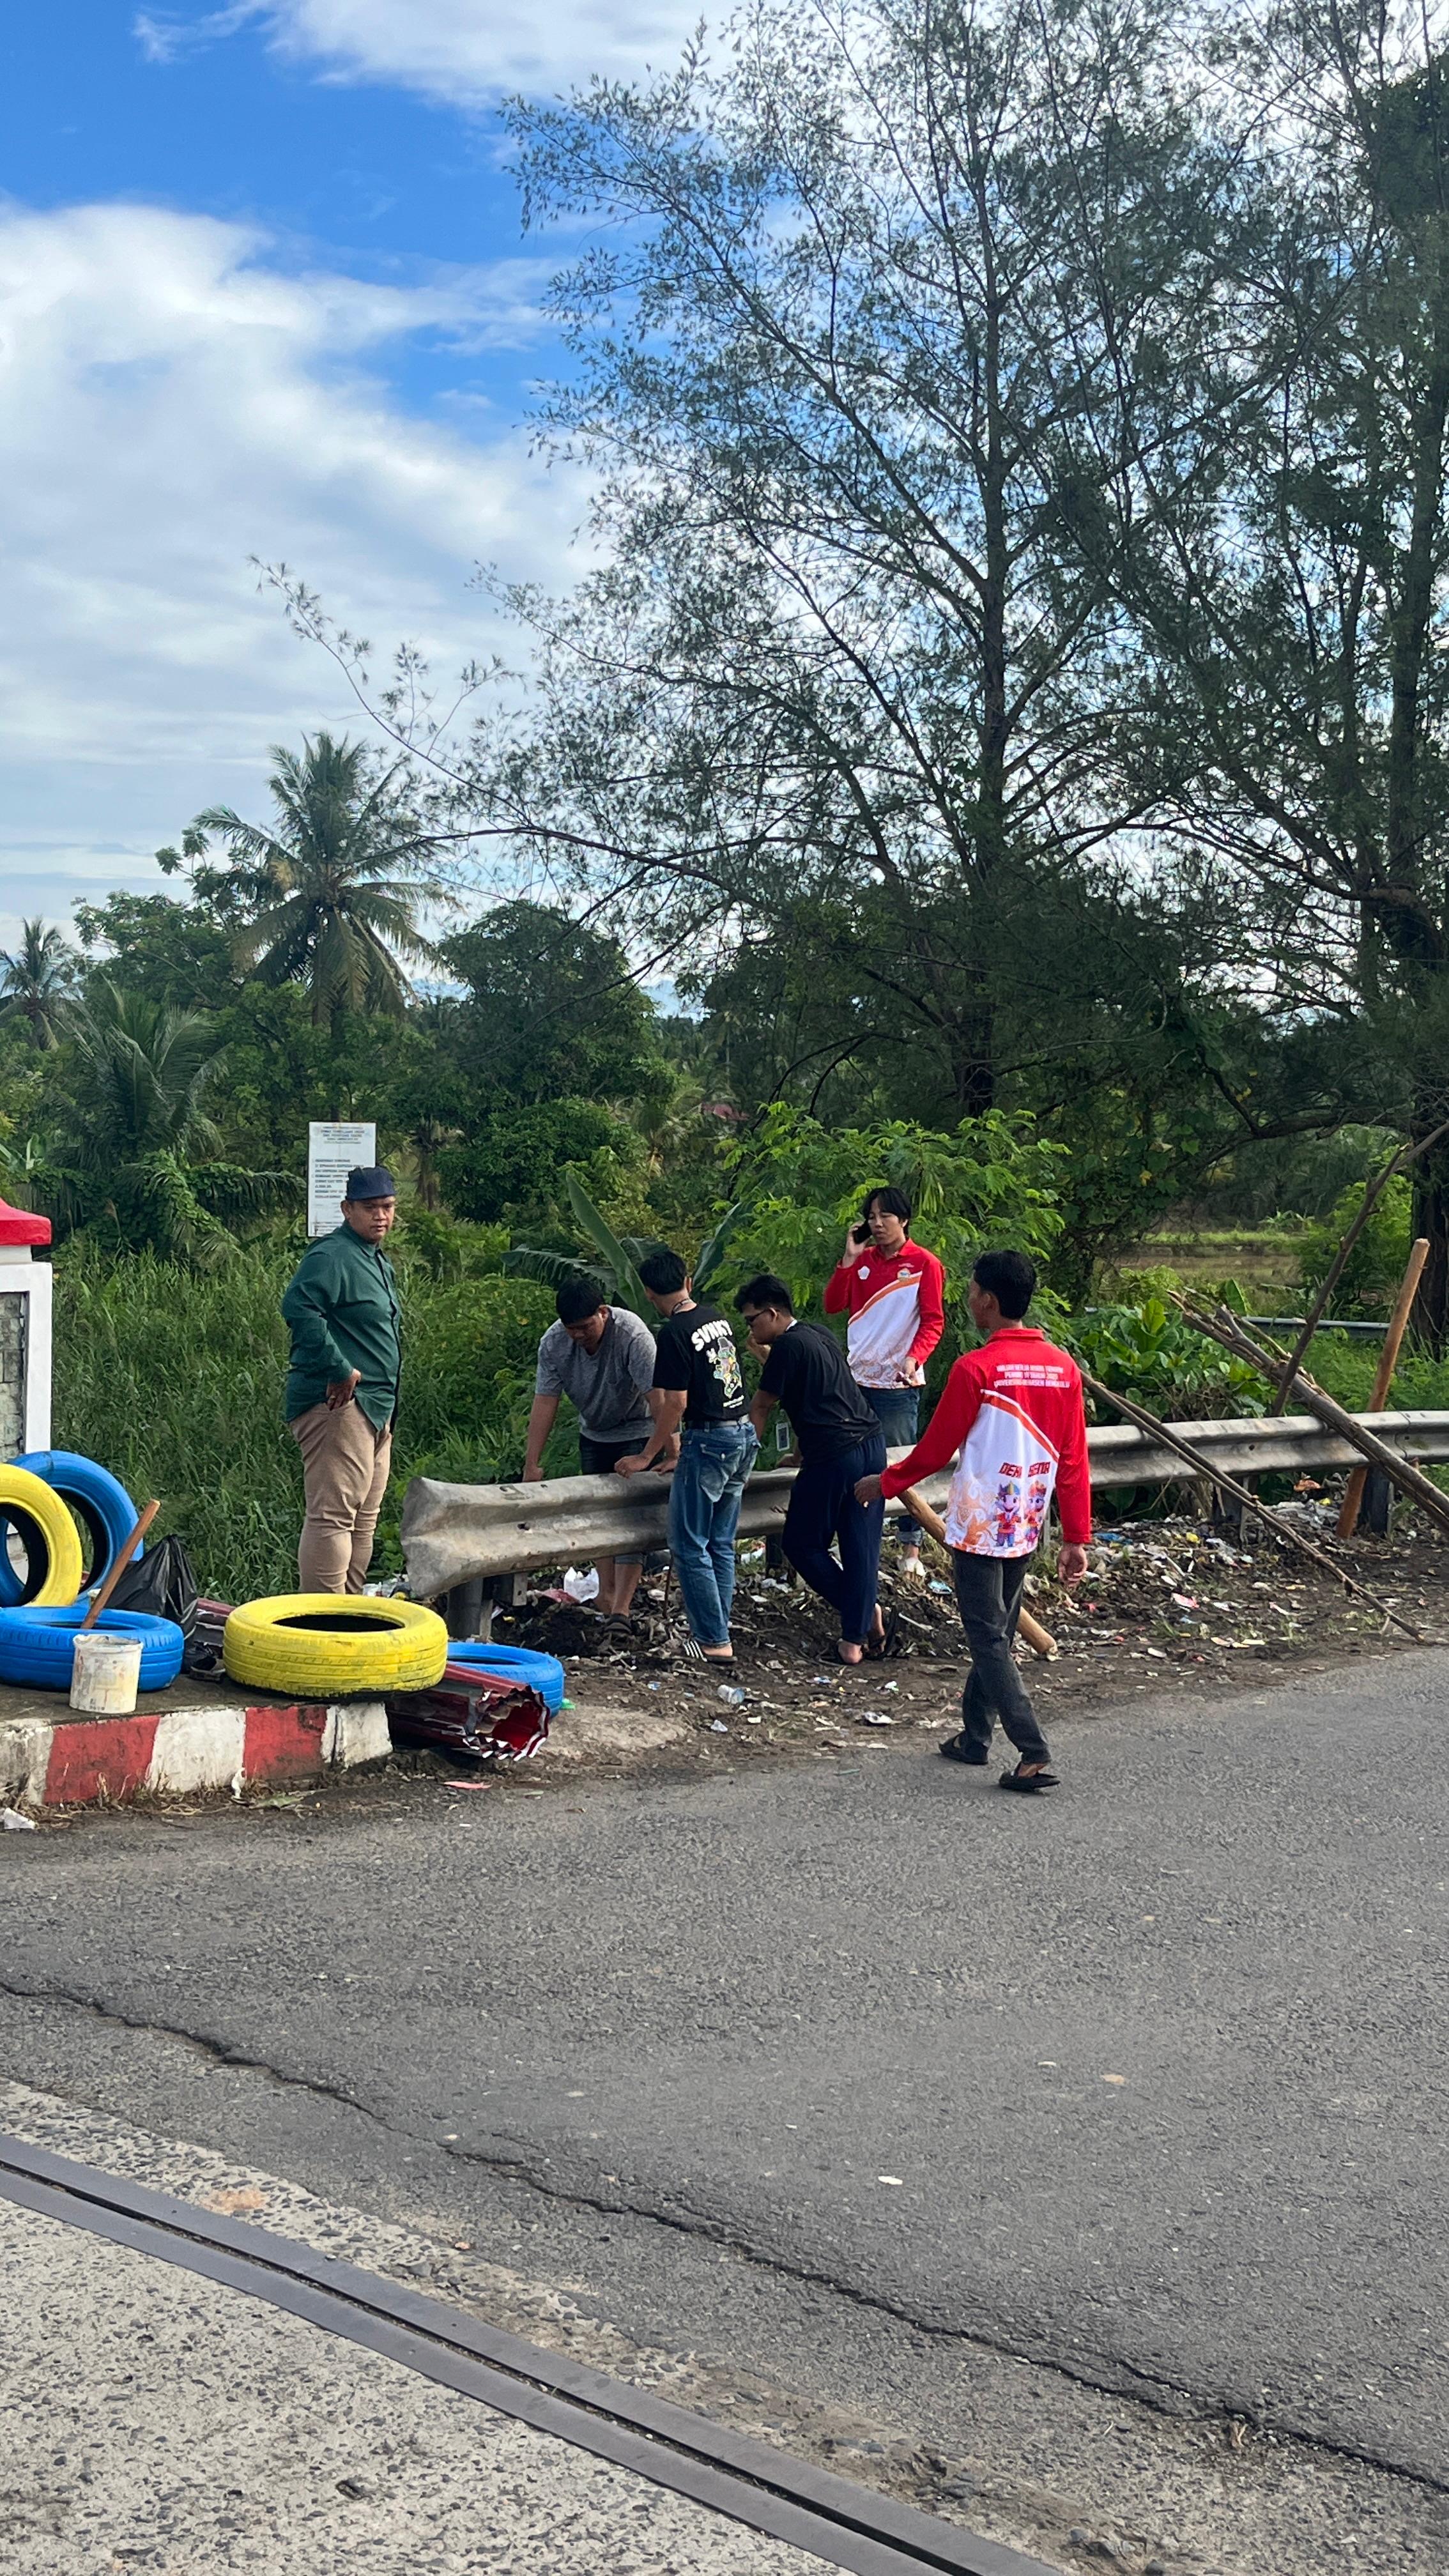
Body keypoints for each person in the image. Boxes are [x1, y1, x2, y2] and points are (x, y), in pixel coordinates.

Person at [855, 1249, 1089, 1793]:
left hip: (983, 1521)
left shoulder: (976, 1368)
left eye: (972, 1289)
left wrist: (884, 1483)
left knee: (987, 1638)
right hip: (1028, 1516)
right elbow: (1075, 1459)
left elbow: (935, 1450)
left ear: (987, 1299)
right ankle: (974, 1738)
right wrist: (1076, 1537)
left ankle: (1032, 1751)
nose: (967, 1297)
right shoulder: (1062, 1367)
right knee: (999, 1630)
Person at [738, 1275, 889, 1666]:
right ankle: (855, 1637)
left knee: (801, 1544)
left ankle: (860, 1612)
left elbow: (761, 1406)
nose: (750, 1330)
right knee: (861, 1545)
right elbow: (821, 1395)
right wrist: (800, 1453)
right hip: (871, 1444)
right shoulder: (818, 1334)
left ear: (772, 1314)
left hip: (836, 1454)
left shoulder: (787, 1346)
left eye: (752, 1321)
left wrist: (744, 1462)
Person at [618, 1248, 755, 1663]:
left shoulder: (674, 1332)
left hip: (709, 1440)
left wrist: (648, 1454)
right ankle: (719, 1629)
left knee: (689, 1543)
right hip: (742, 1434)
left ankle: (713, 1640)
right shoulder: (716, 1318)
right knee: (721, 1542)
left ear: (648, 1293)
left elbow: (675, 1403)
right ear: (688, 1281)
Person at [281, 1166, 401, 1593]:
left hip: (378, 1407)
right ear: (347, 1209)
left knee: (364, 1519)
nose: (381, 1217)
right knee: (333, 1515)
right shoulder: (331, 1255)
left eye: (387, 1207)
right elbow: (299, 1309)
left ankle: (349, 1610)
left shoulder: (375, 1259)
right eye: (370, 1208)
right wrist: (339, 1368)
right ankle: (321, 1618)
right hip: (338, 1403)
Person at [523, 1278, 664, 1621]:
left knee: (631, 1521)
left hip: (639, 1429)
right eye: (572, 1329)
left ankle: (622, 1607)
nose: (578, 1335)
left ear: (603, 1312)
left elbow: (658, 1397)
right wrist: (532, 1464)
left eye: (585, 1327)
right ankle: (606, 1593)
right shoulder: (554, 1343)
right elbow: (545, 1402)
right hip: (596, 1433)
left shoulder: (632, 1335)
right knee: (603, 1519)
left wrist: (664, 1450)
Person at [823, 1186, 946, 1578]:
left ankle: (911, 1545)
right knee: (852, 1464)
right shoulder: (863, 1262)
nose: (876, 1224)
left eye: (884, 1217)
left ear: (903, 1220)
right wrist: (849, 1258)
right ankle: (859, 1545)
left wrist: (915, 1357)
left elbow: (933, 1321)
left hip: (898, 1383)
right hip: (856, 1381)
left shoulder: (925, 1263)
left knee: (900, 1461)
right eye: (871, 1217)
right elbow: (832, 1304)